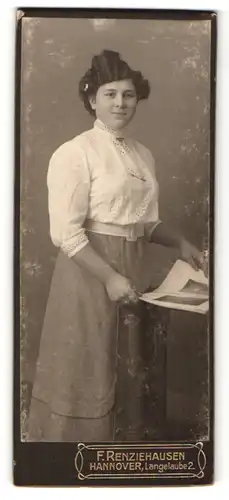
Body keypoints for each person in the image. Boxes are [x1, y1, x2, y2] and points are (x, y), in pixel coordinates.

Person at [27, 49, 203, 442]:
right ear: (92, 99)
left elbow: (143, 221)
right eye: (110, 94)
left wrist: (180, 242)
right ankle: (71, 454)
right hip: (90, 270)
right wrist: (108, 277)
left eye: (128, 95)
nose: (120, 103)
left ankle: (125, 451)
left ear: (137, 100)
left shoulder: (142, 155)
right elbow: (67, 234)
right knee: (91, 362)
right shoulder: (76, 152)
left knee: (132, 362)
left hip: (134, 270)